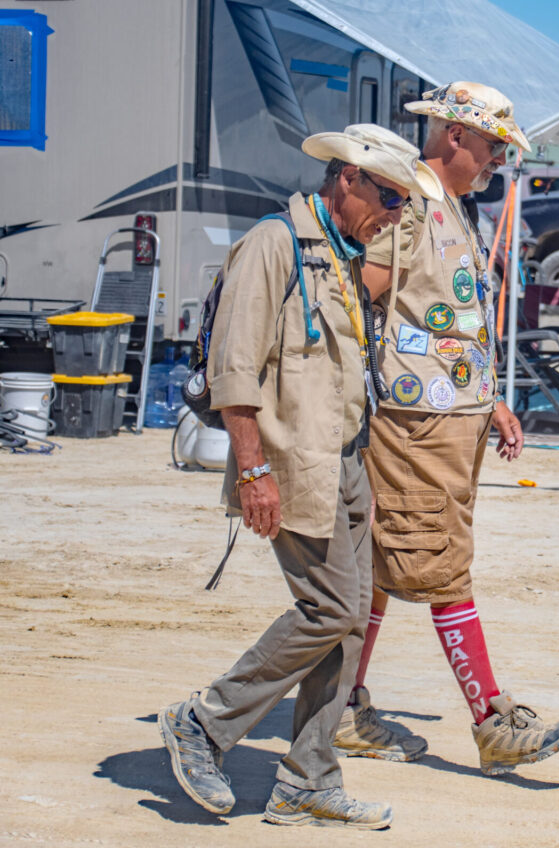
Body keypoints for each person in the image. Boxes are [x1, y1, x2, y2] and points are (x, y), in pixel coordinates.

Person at [157, 123, 443, 829]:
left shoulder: (343, 253)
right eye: (386, 195)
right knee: (334, 611)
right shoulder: (272, 244)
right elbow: (234, 370)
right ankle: (205, 718)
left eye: (404, 203)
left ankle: (308, 781)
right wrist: (252, 468)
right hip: (291, 463)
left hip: (343, 460)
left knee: (344, 629)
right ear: (344, 178)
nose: (394, 213)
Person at [333, 83, 559, 776]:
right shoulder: (409, 203)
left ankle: (344, 707)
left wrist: (489, 399)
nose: (498, 158)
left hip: (447, 415)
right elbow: (357, 301)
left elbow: (451, 314)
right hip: (416, 422)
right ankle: (490, 720)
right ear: (455, 139)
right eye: (492, 145)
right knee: (441, 563)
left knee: (387, 563)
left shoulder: (449, 207)